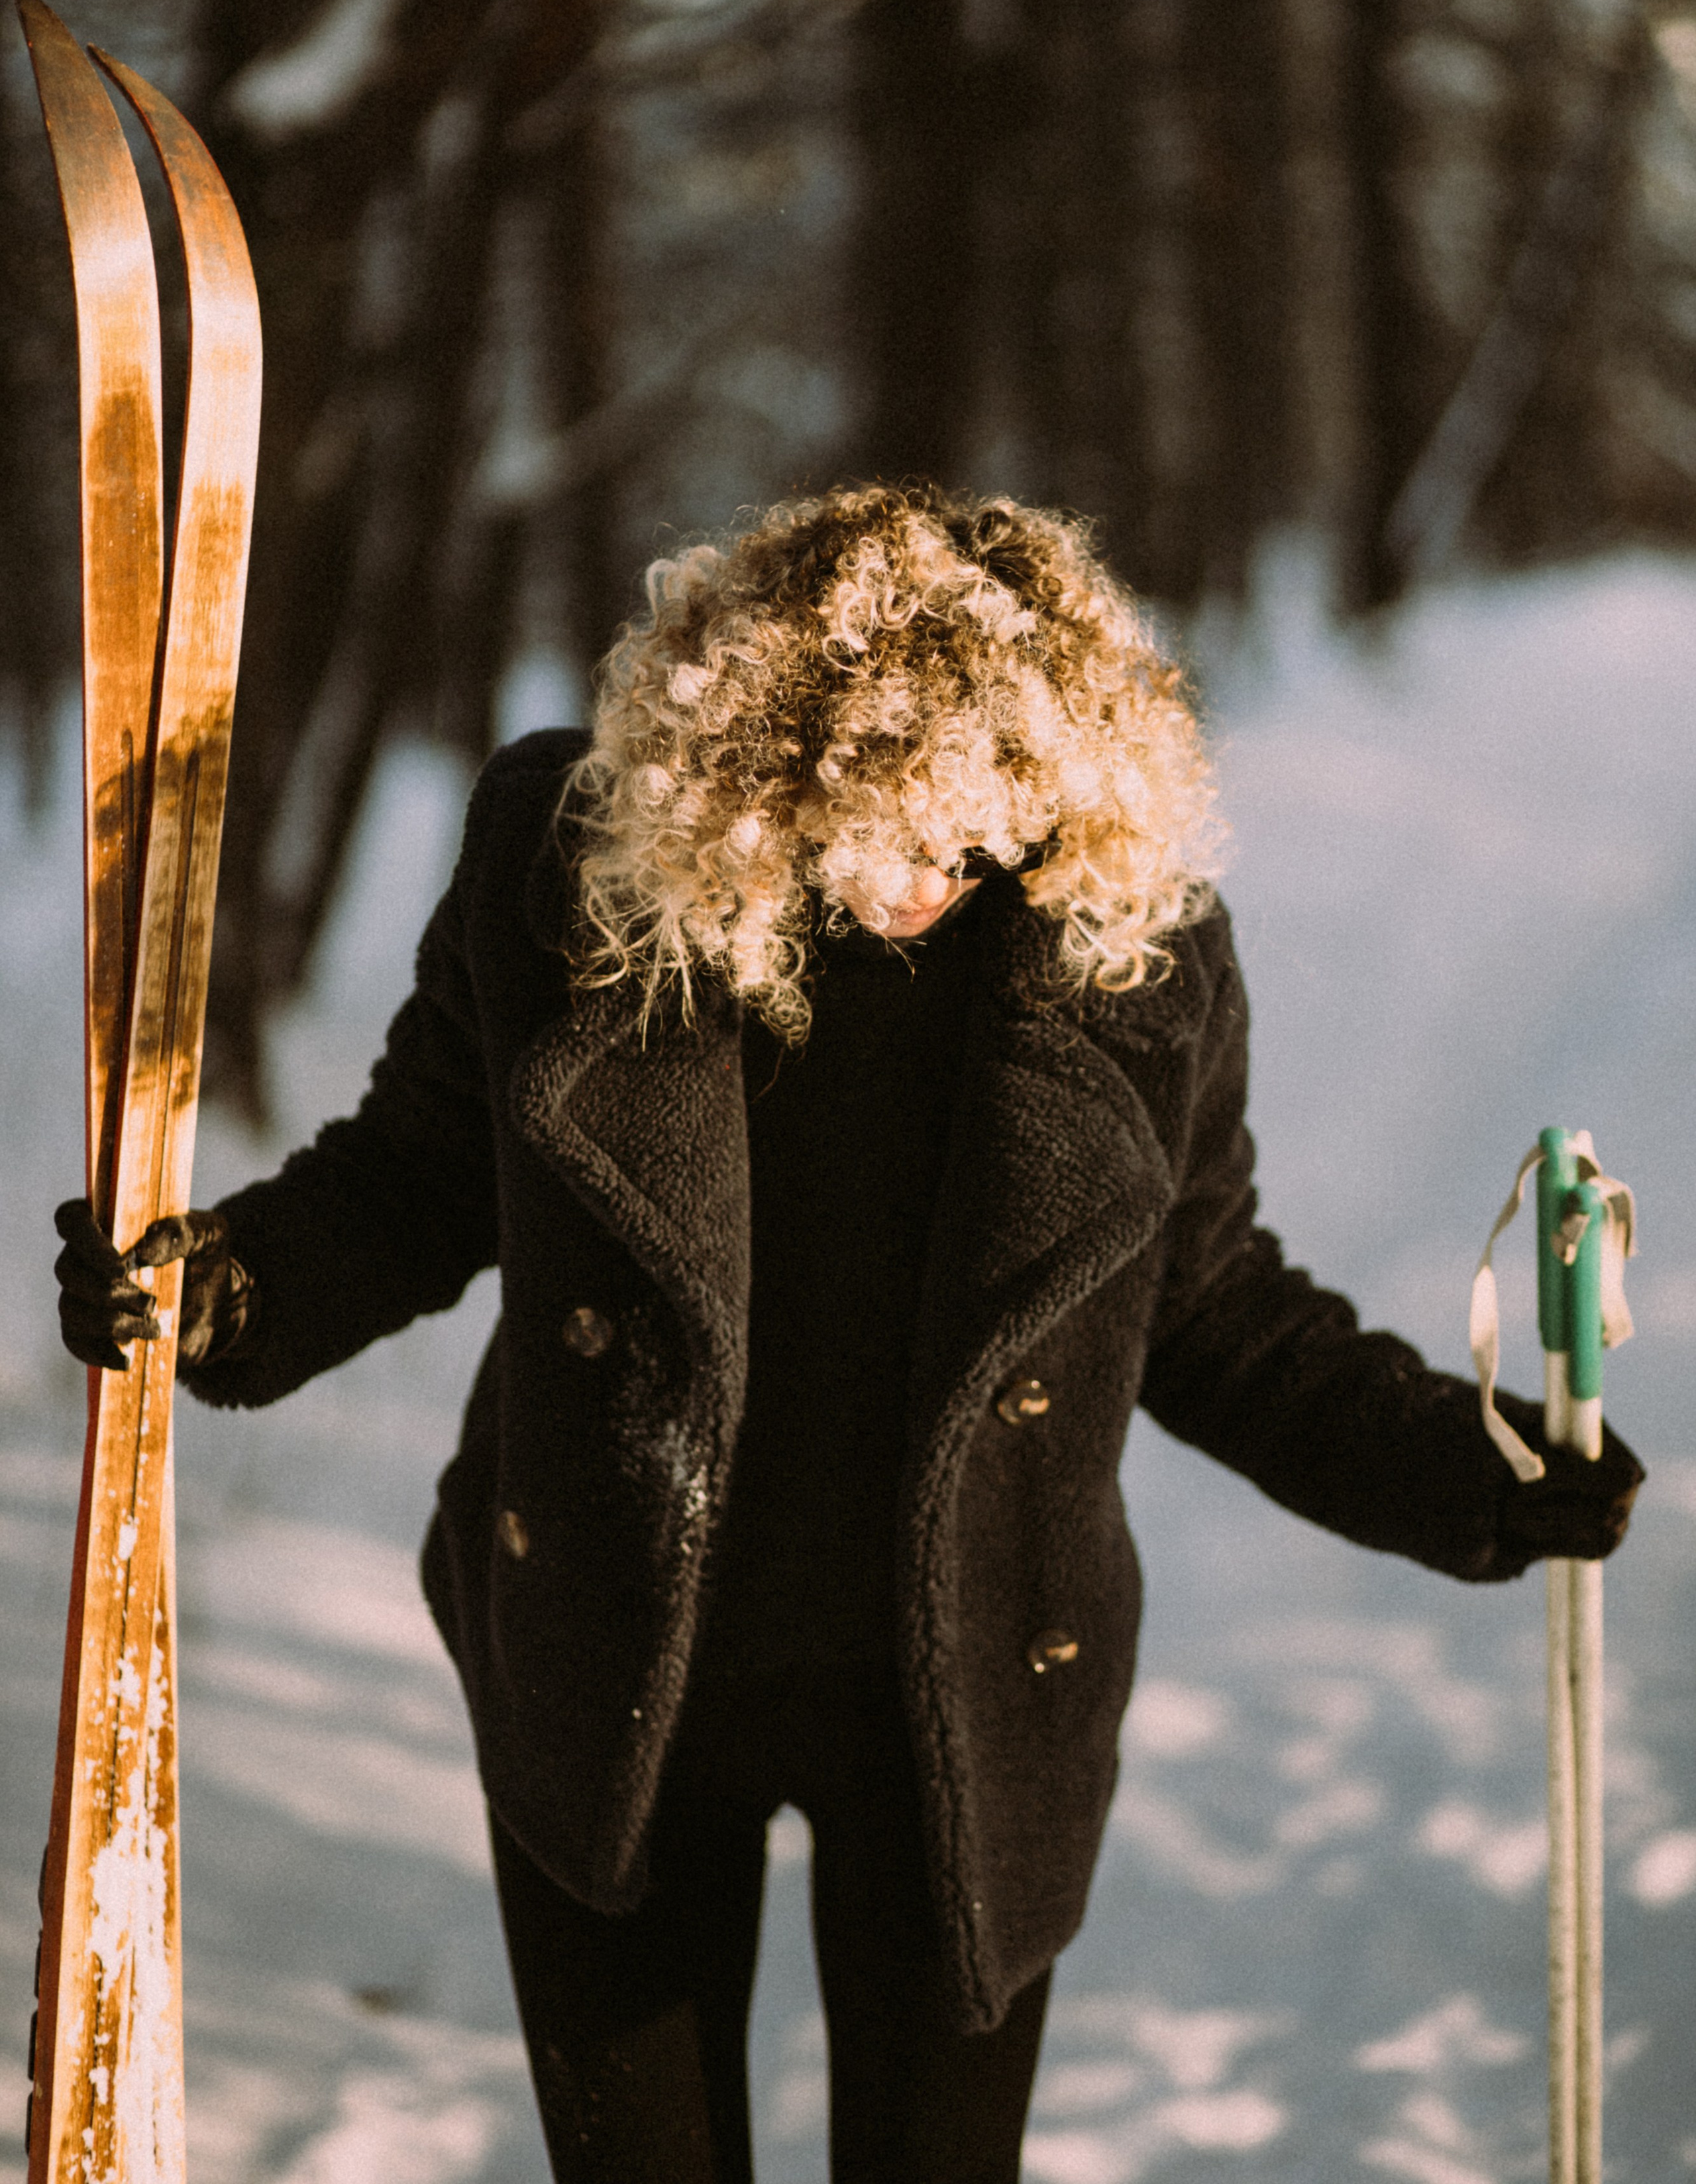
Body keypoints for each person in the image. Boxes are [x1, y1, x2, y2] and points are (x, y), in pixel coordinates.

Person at [54, 482, 1643, 2183]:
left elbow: (1209, 1302)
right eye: (871, 826)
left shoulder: (1127, 948)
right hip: (619, 1655)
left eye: (975, 840)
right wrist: (235, 1287)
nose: (919, 879)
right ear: (757, 769)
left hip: (958, 1692)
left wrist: (1462, 1466)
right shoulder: (574, 884)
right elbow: (422, 1170)